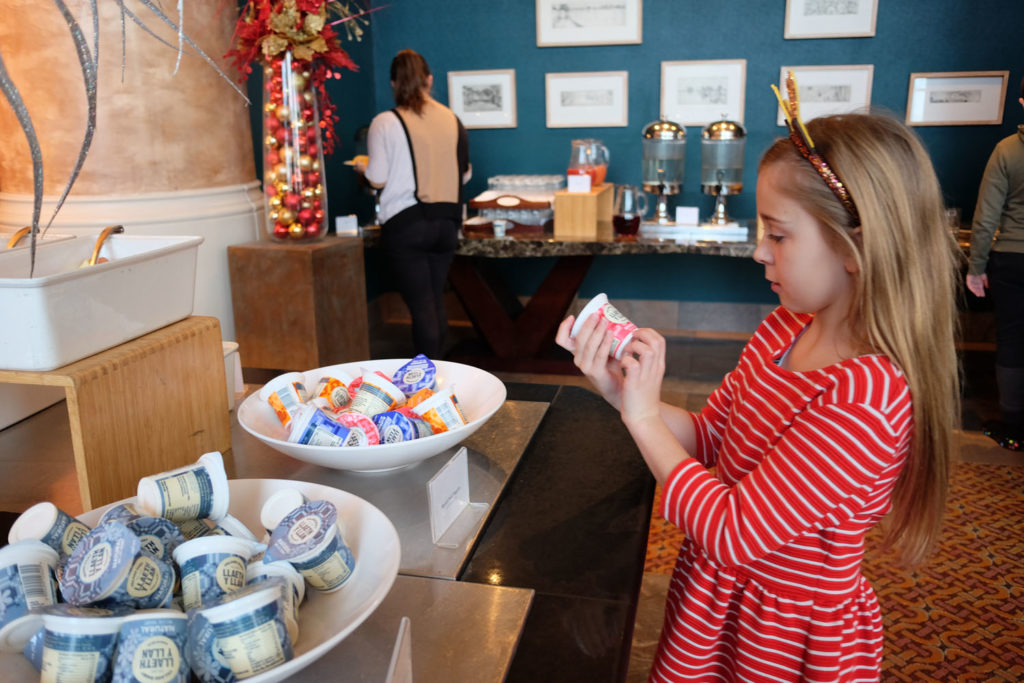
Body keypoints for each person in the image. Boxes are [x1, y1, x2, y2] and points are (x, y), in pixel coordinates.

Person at [556, 82, 960, 681]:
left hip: (782, 634)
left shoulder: (866, 397)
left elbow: (732, 530)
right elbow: (712, 439)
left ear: (855, 247)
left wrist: (642, 417)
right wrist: (623, 392)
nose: (759, 252)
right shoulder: (783, 329)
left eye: (778, 234)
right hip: (715, 604)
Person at [356, 49, 471, 358]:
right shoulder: (453, 120)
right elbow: (464, 173)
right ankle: (440, 371)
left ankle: (426, 376)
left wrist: (362, 168)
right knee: (435, 302)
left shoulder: (385, 122)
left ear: (393, 83)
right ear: (429, 80)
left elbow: (378, 178)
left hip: (407, 225)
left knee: (422, 307)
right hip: (447, 223)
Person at [965, 77, 1024, 451]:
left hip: (1012, 260)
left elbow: (986, 218)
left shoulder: (1006, 150)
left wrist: (976, 268)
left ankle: (1014, 428)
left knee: (1012, 340)